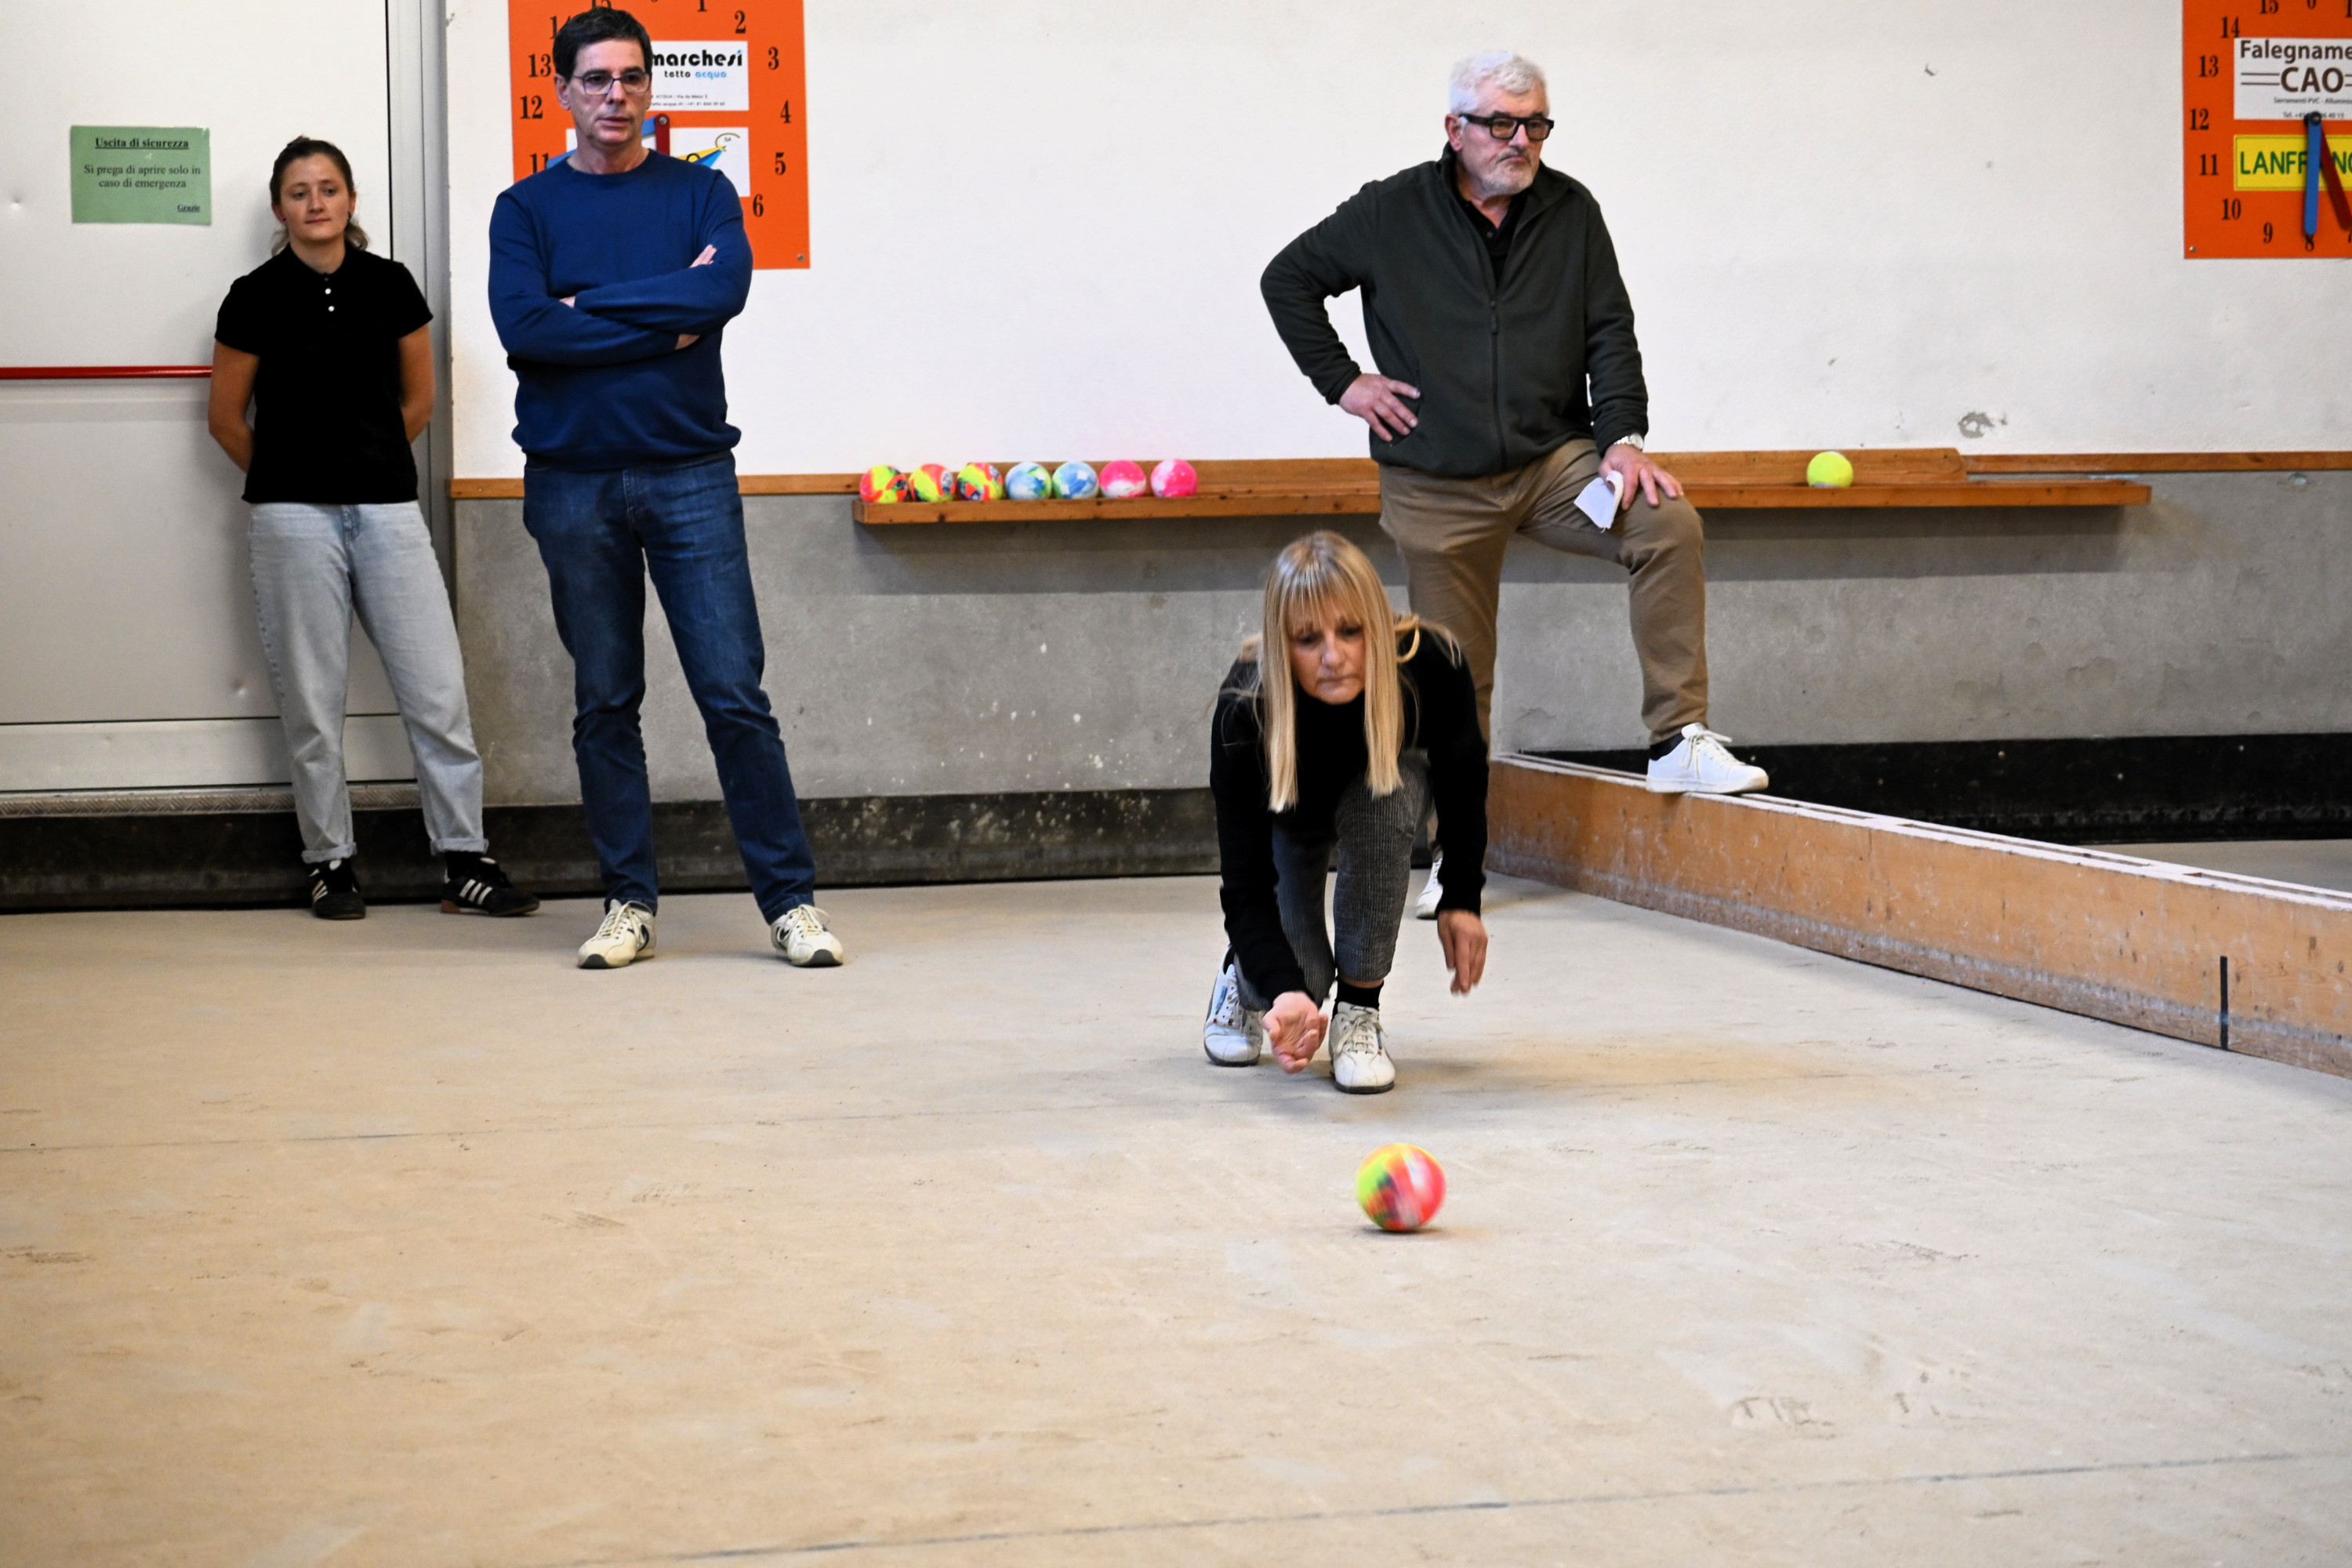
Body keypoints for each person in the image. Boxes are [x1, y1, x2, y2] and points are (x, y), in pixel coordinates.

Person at [1261, 49, 1769, 918]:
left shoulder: (1572, 213)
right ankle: (1454, 856)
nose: (1520, 141)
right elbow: (1289, 279)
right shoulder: (1391, 211)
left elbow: (1610, 331)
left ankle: (1676, 740)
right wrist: (1344, 382)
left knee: (1665, 523)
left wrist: (1623, 442)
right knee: (1457, 676)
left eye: (1535, 124)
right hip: (1435, 479)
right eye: (1501, 123)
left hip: (1550, 462)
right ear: (1454, 129)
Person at [488, 7, 842, 971]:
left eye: (632, 77)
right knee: (605, 701)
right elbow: (525, 327)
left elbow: (720, 292)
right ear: (561, 90)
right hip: (572, 482)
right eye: (596, 79)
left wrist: (587, 307)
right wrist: (658, 318)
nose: (616, 95)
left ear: (651, 86)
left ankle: (791, 903)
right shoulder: (524, 210)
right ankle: (628, 903)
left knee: (734, 695)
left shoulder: (702, 193)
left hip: (690, 475)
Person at [209, 136, 539, 923]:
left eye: (328, 188)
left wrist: (371, 464)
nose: (315, 202)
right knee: (312, 705)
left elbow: (418, 402)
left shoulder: (390, 285)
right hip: (291, 521)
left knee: (437, 694)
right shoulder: (253, 295)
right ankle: (330, 864)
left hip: (389, 515)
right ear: (280, 207)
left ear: (351, 200)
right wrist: (293, 476)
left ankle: (465, 860)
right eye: (299, 191)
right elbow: (225, 419)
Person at [1204, 532, 1490, 1094]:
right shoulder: (1246, 711)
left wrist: (1461, 897)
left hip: (1379, 790)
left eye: (1351, 631)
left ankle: (1360, 1011)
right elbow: (1245, 884)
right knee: (1301, 981)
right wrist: (1284, 991)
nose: (1333, 657)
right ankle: (1243, 976)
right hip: (1293, 812)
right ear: (1282, 645)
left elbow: (1463, 783)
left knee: (1387, 797)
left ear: (1377, 627)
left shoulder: (1432, 664)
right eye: (1308, 639)